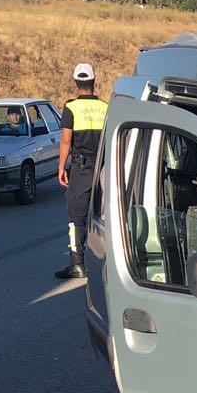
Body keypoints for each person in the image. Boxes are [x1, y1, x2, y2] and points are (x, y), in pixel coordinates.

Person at [55, 62, 108, 281]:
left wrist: (61, 168)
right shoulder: (106, 107)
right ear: (94, 82)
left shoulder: (71, 107)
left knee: (77, 215)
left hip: (82, 167)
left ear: (76, 83)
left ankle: (77, 264)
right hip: (103, 167)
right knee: (104, 214)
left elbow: (66, 141)